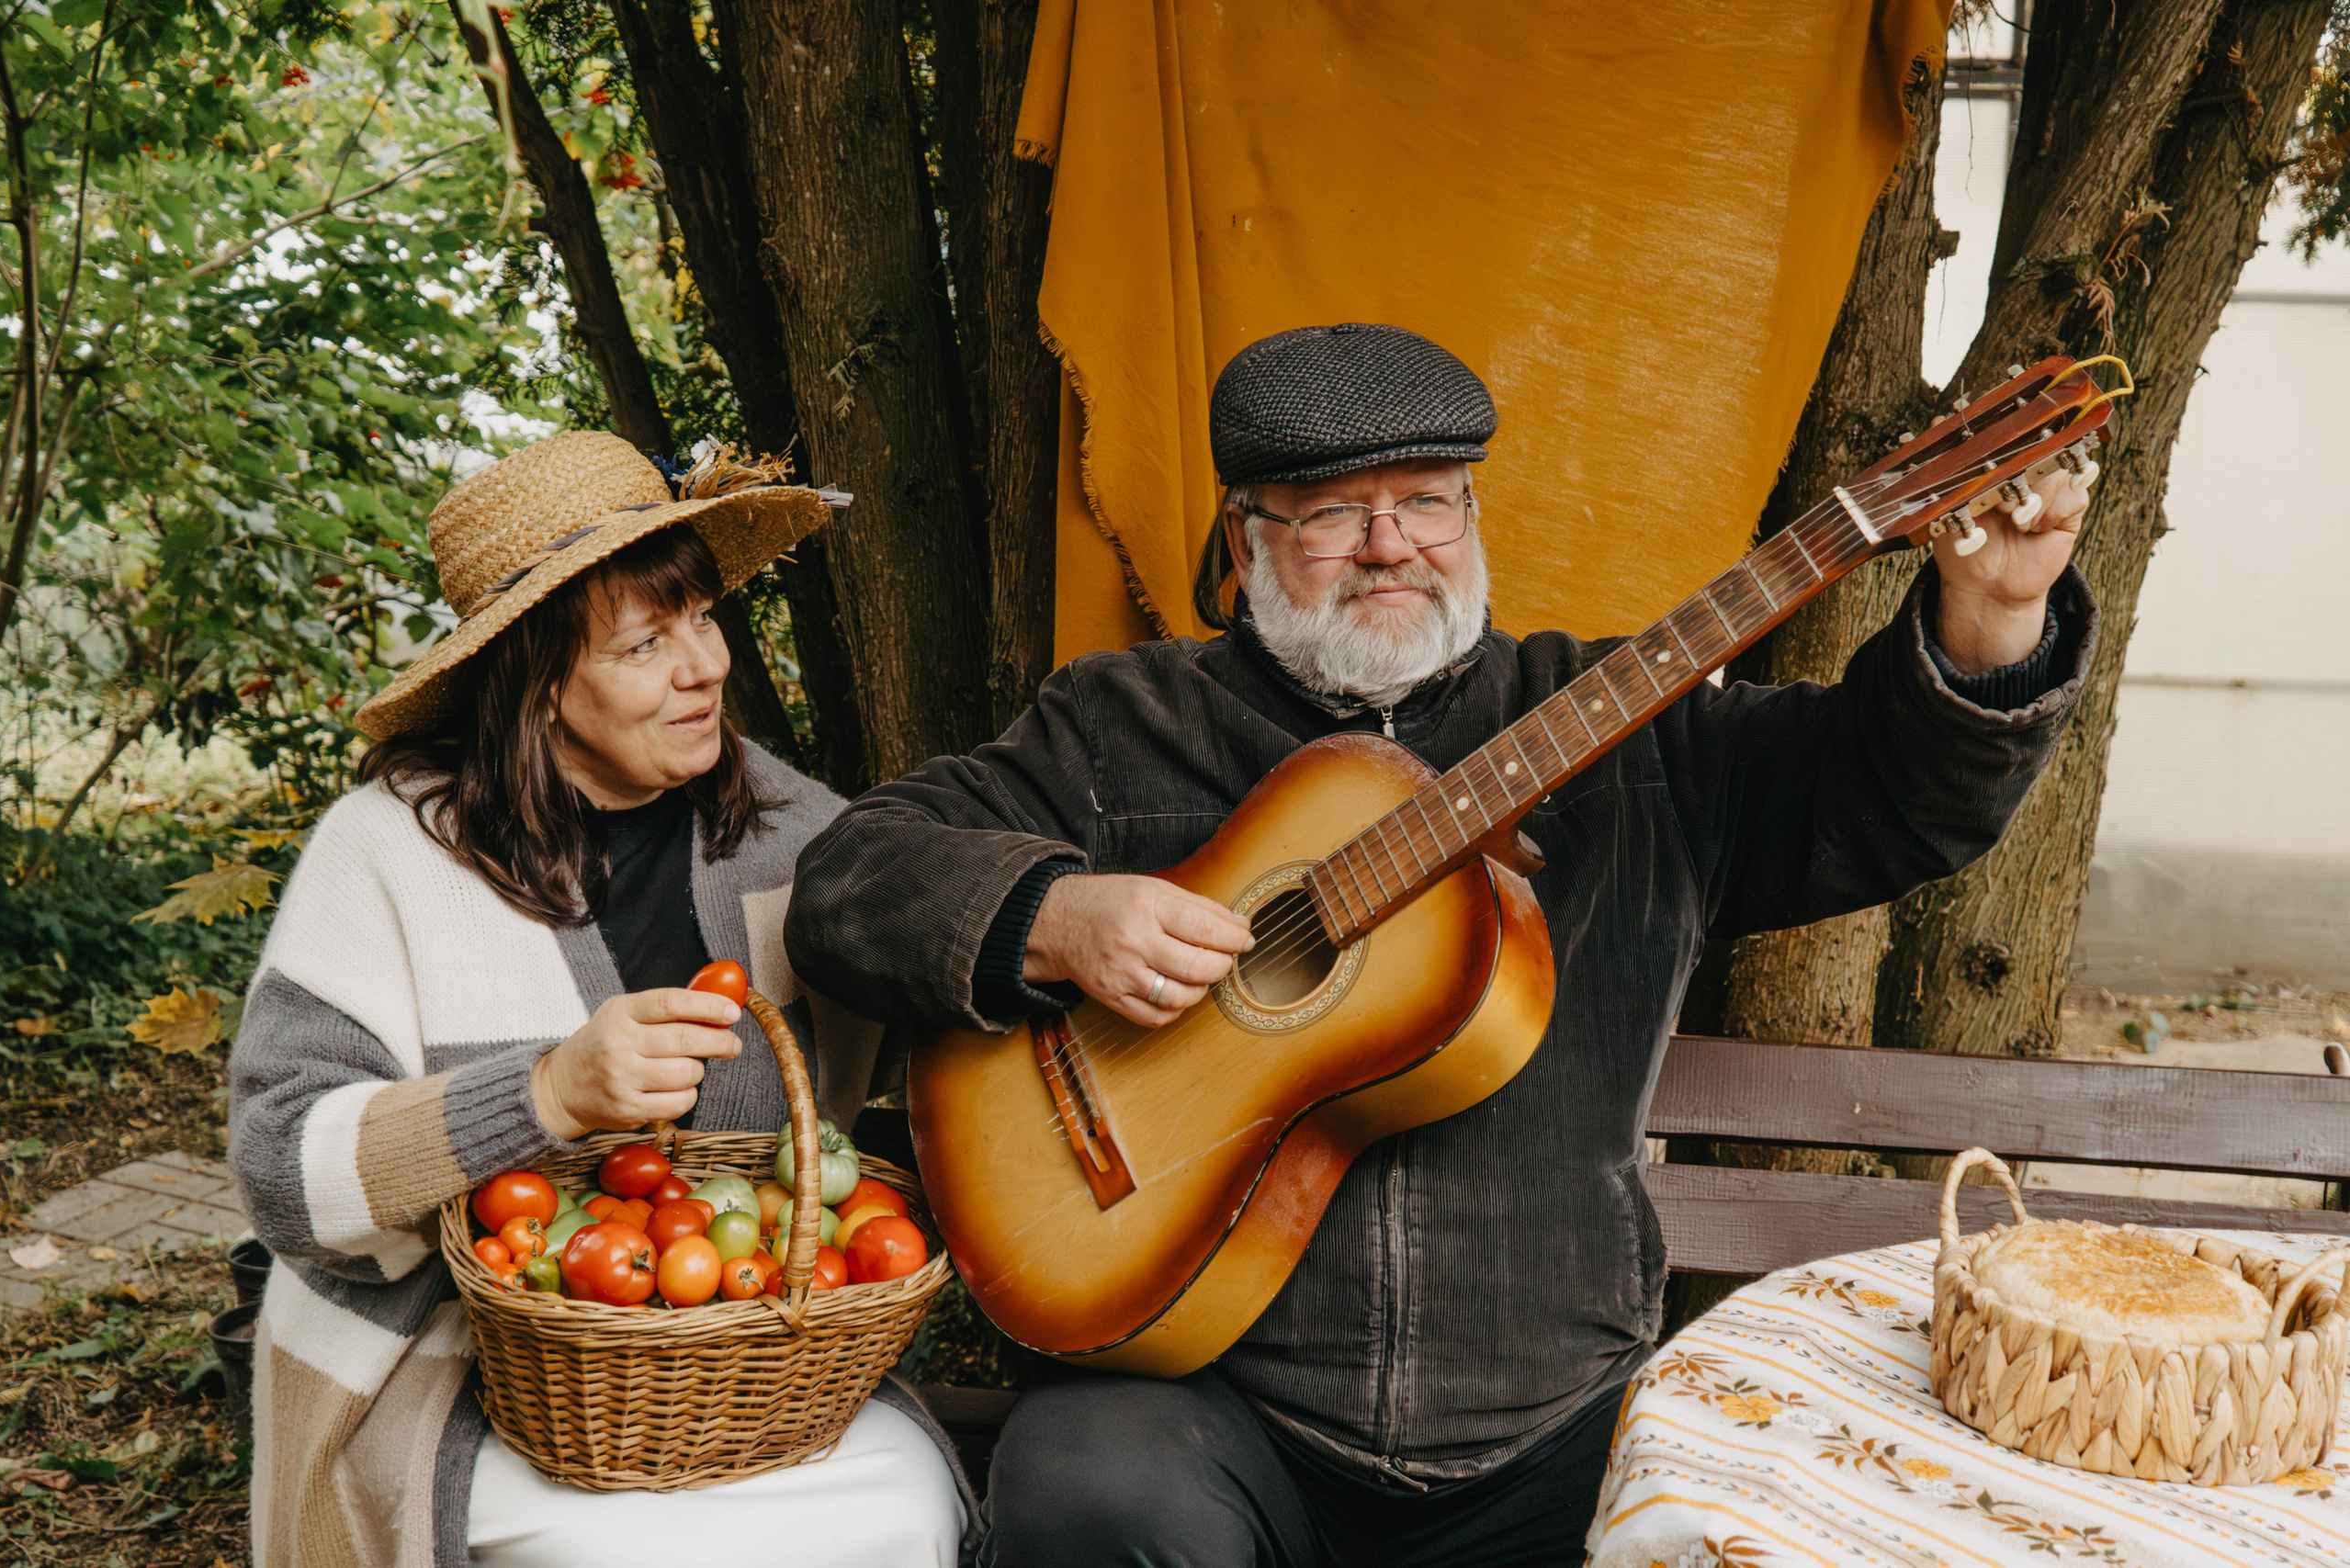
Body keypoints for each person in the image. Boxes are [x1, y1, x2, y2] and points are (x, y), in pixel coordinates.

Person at [784, 323, 2098, 1567]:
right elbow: (850, 883)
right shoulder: (1119, 726)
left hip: (1553, 1413)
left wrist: (1990, 617)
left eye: (1429, 500)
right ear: (1243, 540)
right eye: (1332, 513)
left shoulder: (1629, 735)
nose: (1389, 546)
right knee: (1080, 1485)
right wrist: (1057, 916)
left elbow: (1888, 796)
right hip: (1220, 1408)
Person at [227, 433, 972, 1568]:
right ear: (537, 686)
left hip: (747, 1367)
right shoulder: (386, 851)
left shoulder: (796, 836)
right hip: (451, 1373)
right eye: (642, 643)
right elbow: (281, 1169)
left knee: (910, 1506)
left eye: (702, 620)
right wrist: (542, 1093)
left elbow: (936, 1047)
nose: (704, 668)